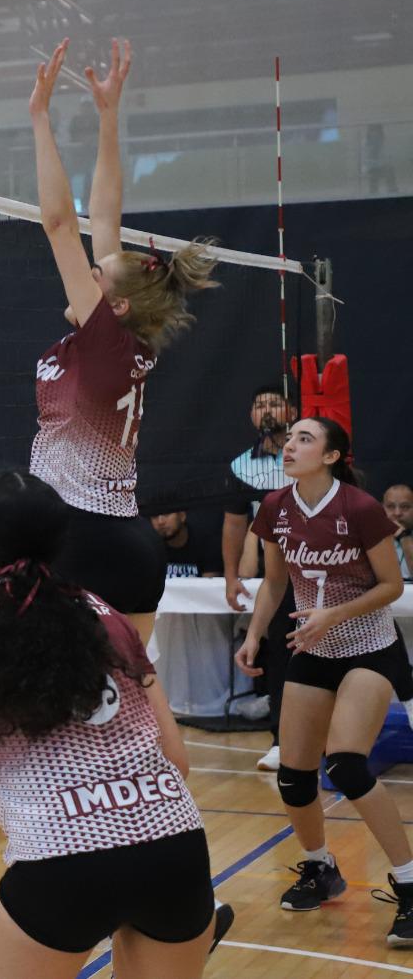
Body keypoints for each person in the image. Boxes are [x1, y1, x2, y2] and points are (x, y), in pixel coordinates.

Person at [0, 470, 221, 979]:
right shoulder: (111, 619)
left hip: (63, 859)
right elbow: (177, 760)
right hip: (173, 846)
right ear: (60, 542)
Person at [28, 38, 218, 645]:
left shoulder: (106, 342)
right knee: (139, 702)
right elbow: (103, 212)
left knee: (49, 695)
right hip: (122, 537)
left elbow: (60, 222)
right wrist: (109, 118)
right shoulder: (121, 339)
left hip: (78, 538)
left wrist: (38, 116)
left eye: (95, 275)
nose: (87, 269)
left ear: (115, 305)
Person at [236, 417, 413, 944]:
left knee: (348, 765)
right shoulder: (275, 508)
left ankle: (409, 882)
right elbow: (273, 582)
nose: (290, 445)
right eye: (289, 438)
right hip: (311, 650)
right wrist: (254, 636)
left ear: (333, 456)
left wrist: (332, 616)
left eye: (305, 439)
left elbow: (389, 587)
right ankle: (319, 868)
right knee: (293, 776)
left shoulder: (358, 508)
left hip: (369, 648)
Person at [220, 383, 298, 770]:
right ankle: (282, 741)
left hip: (324, 566)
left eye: (275, 403)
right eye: (259, 404)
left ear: (292, 409)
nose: (266, 410)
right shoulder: (240, 466)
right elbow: (235, 524)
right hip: (278, 573)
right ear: (251, 416)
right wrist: (231, 576)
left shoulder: (306, 454)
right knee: (280, 656)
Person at [150, 510, 221, 578]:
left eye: (167, 514)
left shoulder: (207, 545)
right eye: (154, 516)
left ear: (182, 516)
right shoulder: (149, 547)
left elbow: (209, 586)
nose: (160, 521)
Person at [384, 483, 413, 580]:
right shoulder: (372, 539)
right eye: (391, 506)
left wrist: (404, 537)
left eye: (405, 507)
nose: (397, 513)